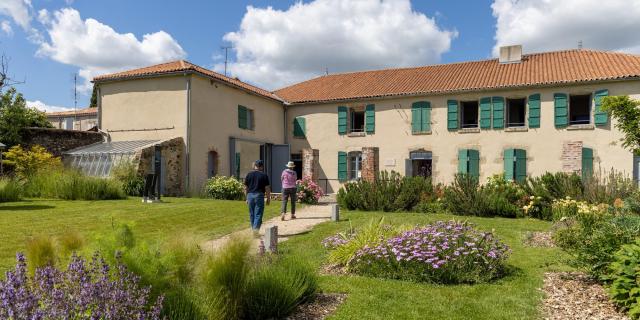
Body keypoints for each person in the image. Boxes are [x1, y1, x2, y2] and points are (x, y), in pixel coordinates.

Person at [244, 160, 270, 235]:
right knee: (258, 214)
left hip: (250, 195)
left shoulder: (249, 174)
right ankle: (255, 231)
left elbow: (245, 187)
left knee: (252, 214)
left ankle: (254, 230)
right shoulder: (264, 175)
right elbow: (267, 188)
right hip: (259, 195)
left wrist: (246, 198)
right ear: (261, 166)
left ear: (255, 166)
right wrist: (268, 198)